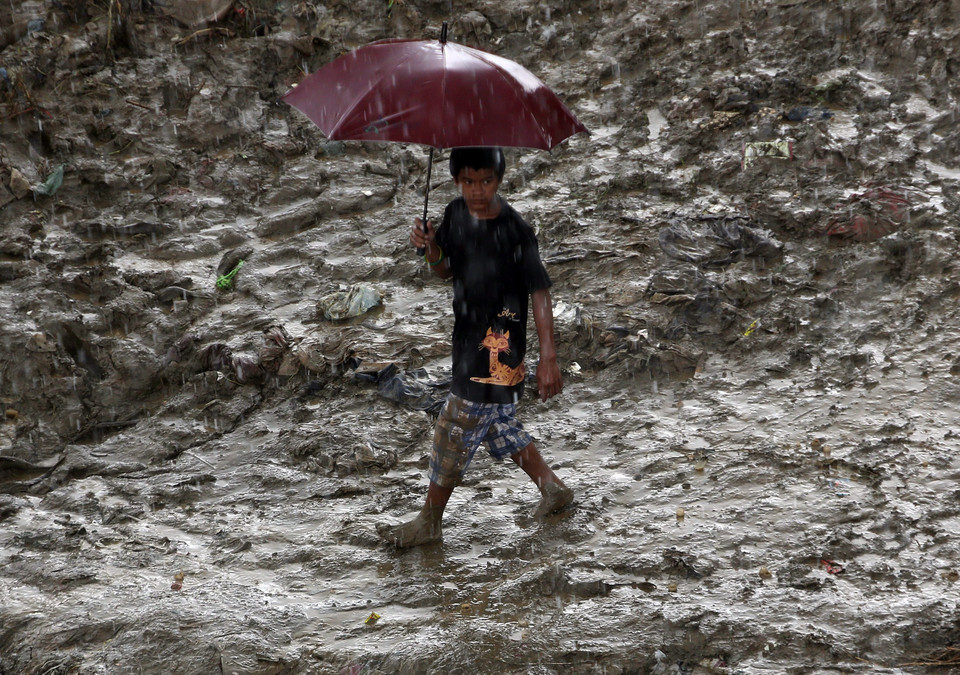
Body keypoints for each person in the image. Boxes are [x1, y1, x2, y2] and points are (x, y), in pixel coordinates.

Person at [377, 147, 573, 548]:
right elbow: (442, 271)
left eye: (486, 181)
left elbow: (540, 292)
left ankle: (429, 521)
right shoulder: (453, 214)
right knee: (498, 423)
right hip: (466, 338)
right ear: (456, 182)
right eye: (469, 181)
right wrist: (431, 245)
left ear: (499, 180)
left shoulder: (515, 230)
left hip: (500, 347)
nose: (478, 190)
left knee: (454, 428)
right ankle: (552, 487)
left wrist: (548, 357)